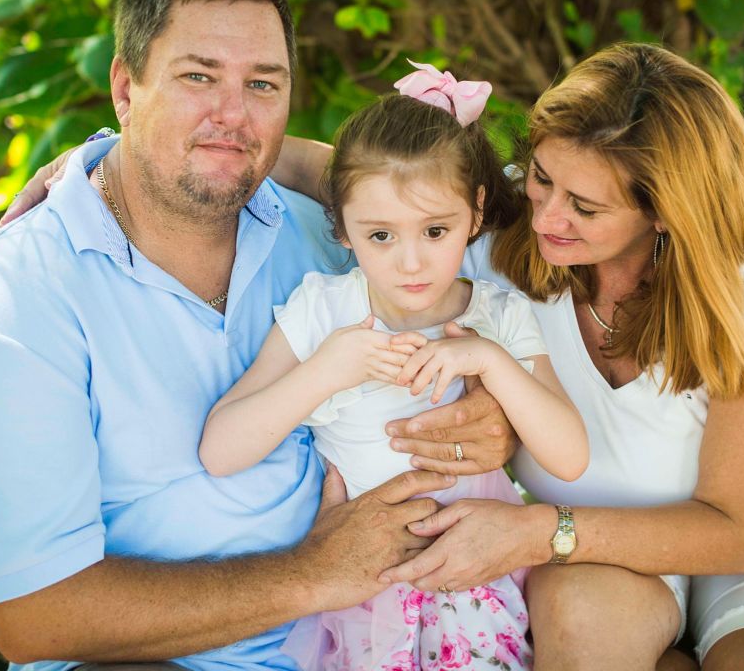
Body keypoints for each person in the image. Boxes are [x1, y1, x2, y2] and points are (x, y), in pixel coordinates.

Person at [7, 43, 744, 671]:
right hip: (586, 546)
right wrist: (106, 162)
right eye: (540, 182)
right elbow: (370, 178)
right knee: (582, 621)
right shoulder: (490, 245)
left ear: (666, 211)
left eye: (586, 206)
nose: (550, 216)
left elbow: (737, 525)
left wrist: (533, 526)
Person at [0, 0, 518, 670]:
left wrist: (492, 421)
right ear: (125, 86)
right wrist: (314, 575)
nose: (232, 115)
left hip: (378, 635)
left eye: (262, 85)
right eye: (198, 77)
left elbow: (437, 209)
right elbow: (34, 618)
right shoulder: (19, 293)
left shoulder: (328, 236)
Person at [198, 66, 588, 671]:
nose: (411, 262)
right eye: (380, 234)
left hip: (473, 588)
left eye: (436, 230)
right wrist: (327, 370)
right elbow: (220, 450)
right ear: (343, 229)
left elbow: (569, 457)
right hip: (365, 591)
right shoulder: (327, 311)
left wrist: (489, 360)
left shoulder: (497, 316)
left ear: (476, 211)